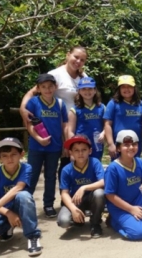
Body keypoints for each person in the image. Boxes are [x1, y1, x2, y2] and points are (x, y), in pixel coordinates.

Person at [20, 46, 88, 179]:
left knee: (78, 161)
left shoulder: (83, 76)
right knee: (65, 160)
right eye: (76, 57)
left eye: (82, 60)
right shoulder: (56, 74)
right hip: (61, 125)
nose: (78, 61)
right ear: (68, 55)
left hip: (78, 124)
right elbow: (33, 92)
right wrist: (23, 109)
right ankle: (64, 191)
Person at [0, 138, 42, 256]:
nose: (9, 159)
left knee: (24, 195)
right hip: (2, 210)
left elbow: (18, 188)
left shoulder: (26, 168)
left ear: (21, 154)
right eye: (5, 156)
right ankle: (8, 226)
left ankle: (33, 236)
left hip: (19, 205)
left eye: (13, 154)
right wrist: (8, 213)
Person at [25, 73, 68, 218]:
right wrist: (38, 139)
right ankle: (25, 203)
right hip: (36, 147)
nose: (47, 89)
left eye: (50, 86)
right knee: (31, 175)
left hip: (54, 147)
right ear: (38, 88)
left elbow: (64, 125)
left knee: (51, 176)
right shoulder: (33, 103)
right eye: (43, 87)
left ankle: (48, 204)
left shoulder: (60, 104)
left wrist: (65, 144)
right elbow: (29, 124)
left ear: (55, 87)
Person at [58, 135, 106, 238]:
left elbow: (103, 182)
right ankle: (78, 218)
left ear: (90, 151)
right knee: (64, 221)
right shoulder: (66, 169)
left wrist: (83, 187)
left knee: (99, 193)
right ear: (71, 152)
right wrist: (73, 209)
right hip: (76, 200)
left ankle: (95, 223)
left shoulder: (95, 162)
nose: (80, 153)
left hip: (92, 198)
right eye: (76, 150)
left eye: (84, 150)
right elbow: (64, 193)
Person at [104, 75, 142, 159]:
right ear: (119, 89)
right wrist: (111, 144)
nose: (126, 89)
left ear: (134, 88)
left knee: (134, 165)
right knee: (118, 166)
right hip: (119, 145)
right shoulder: (113, 103)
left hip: (135, 145)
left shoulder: (140, 104)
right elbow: (107, 124)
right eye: (123, 87)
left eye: (129, 86)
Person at [67, 77, 105, 161]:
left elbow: (107, 125)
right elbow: (70, 131)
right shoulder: (74, 110)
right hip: (80, 146)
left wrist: (103, 133)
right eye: (84, 89)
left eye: (90, 89)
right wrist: (72, 149)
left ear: (95, 90)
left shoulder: (102, 107)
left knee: (95, 165)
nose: (87, 91)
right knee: (80, 167)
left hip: (97, 144)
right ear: (79, 91)